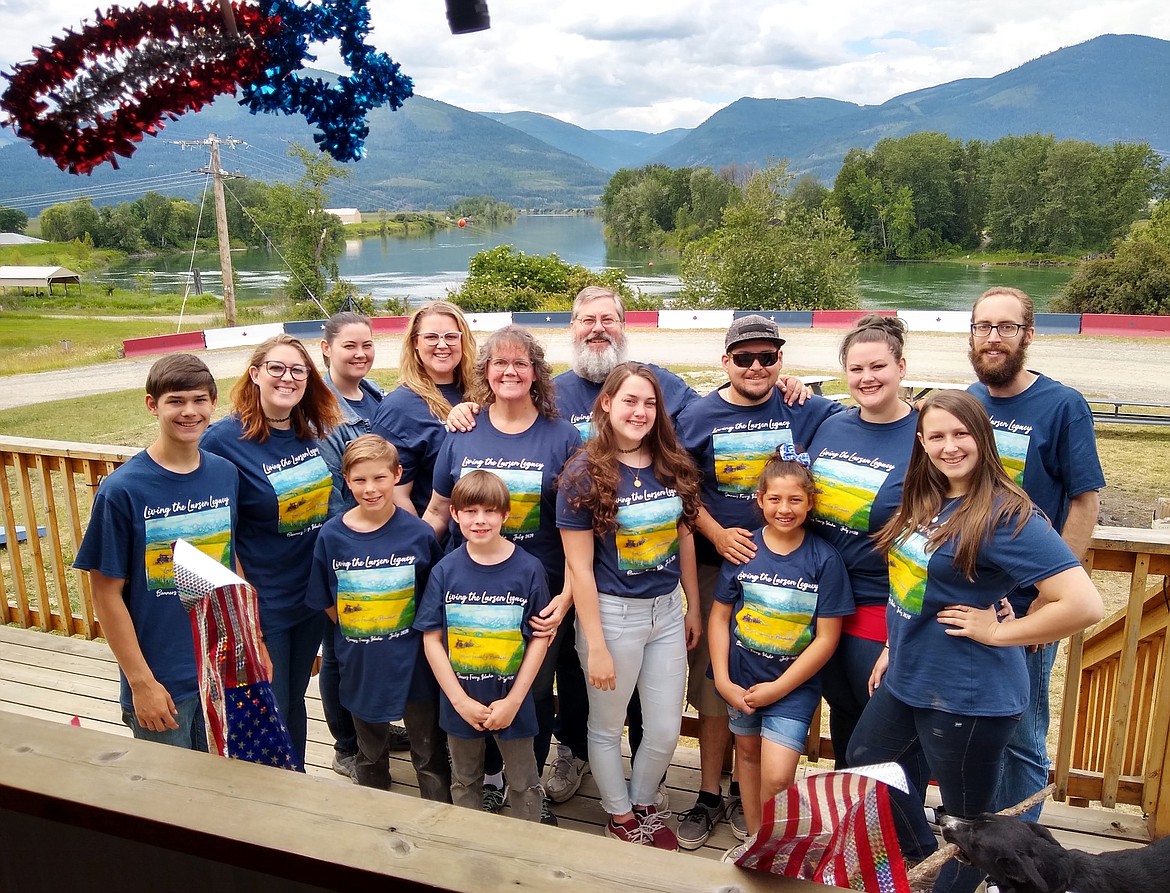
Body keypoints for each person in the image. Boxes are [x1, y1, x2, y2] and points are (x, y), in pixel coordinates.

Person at [847, 391, 1104, 893]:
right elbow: (913, 583)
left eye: (961, 434)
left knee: (970, 826)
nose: (949, 447)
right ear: (921, 442)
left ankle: (953, 879)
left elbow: (1083, 604)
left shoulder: (1006, 515)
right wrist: (891, 644)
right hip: (911, 672)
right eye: (937, 436)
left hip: (968, 694)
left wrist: (997, 630)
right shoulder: (928, 498)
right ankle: (926, 855)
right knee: (866, 759)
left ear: (983, 439)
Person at [672, 314, 843, 848]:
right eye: (744, 357)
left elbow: (862, 416)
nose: (756, 367)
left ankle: (763, 813)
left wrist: (801, 388)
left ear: (780, 362)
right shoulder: (698, 415)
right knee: (714, 687)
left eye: (767, 357)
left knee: (774, 676)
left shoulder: (802, 406)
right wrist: (718, 535)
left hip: (792, 569)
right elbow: (680, 486)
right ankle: (707, 793)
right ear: (725, 361)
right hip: (718, 562)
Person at [422, 324, 581, 824]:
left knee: (530, 692)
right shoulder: (463, 429)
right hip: (468, 595)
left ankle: (524, 786)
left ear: (536, 373)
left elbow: (582, 525)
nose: (510, 371)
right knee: (475, 681)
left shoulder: (562, 436)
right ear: (484, 372)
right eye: (499, 363)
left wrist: (571, 593)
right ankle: (487, 783)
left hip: (539, 595)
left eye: (520, 363)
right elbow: (438, 510)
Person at [965, 286, 1105, 825]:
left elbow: (1084, 500)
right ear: (972, 336)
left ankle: (1018, 853)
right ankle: (977, 838)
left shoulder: (1061, 405)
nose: (993, 337)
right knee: (974, 726)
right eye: (984, 327)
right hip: (968, 602)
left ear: (1028, 335)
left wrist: (1049, 595)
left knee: (1022, 733)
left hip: (1028, 606)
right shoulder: (967, 403)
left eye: (1006, 327)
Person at [557, 362, 704, 850]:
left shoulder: (672, 463)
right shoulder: (583, 472)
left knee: (663, 728)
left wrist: (693, 609)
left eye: (649, 402)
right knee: (605, 726)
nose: (640, 411)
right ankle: (620, 815)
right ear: (606, 404)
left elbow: (685, 538)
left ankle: (644, 802)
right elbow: (578, 569)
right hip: (612, 616)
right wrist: (595, 644)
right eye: (629, 401)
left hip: (665, 614)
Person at [74, 353, 240, 751]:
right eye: (176, 401)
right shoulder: (122, 490)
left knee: (227, 794)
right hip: (162, 682)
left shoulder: (224, 474)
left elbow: (229, 562)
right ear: (153, 405)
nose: (189, 411)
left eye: (199, 400)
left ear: (213, 402)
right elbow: (105, 594)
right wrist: (141, 683)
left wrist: (248, 643)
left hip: (220, 672)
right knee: (166, 805)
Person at [202, 334, 341, 766]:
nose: (288, 378)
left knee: (294, 699)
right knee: (268, 706)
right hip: (264, 603)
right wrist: (244, 607)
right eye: (277, 368)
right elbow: (217, 531)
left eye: (298, 370)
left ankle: (294, 779)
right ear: (256, 373)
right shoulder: (223, 440)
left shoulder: (307, 431)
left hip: (310, 597)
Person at [709, 445, 853, 861]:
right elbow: (720, 617)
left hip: (792, 687)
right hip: (740, 679)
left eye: (794, 499)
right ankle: (758, 846)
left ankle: (781, 845)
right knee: (748, 758)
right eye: (774, 499)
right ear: (760, 500)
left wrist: (779, 688)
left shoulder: (824, 560)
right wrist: (722, 679)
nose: (784, 509)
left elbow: (826, 638)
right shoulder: (745, 551)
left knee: (777, 776)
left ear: (810, 502)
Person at [306, 435, 450, 800]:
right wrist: (363, 629)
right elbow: (326, 598)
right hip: (362, 663)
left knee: (428, 752)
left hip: (415, 664)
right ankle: (375, 812)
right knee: (369, 754)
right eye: (360, 480)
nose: (370, 489)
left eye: (379, 478)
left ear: (397, 475)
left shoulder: (418, 534)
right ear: (346, 480)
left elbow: (432, 597)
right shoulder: (332, 536)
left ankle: (442, 817)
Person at [807, 315, 918, 768]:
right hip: (828, 607)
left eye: (878, 367)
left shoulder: (926, 436)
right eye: (856, 369)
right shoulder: (832, 424)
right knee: (846, 727)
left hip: (882, 611)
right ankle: (850, 831)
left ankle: (892, 835)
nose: (866, 378)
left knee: (885, 743)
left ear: (901, 367)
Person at [416, 471, 552, 822]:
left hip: (513, 702)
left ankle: (528, 848)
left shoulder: (529, 569)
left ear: (506, 515)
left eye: (490, 511)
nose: (480, 520)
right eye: (470, 511)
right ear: (456, 515)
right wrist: (459, 701)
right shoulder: (445, 571)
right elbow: (432, 640)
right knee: (464, 780)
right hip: (460, 702)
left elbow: (540, 638)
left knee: (524, 783)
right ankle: (470, 848)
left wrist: (514, 701)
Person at [315, 311, 410, 779]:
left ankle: (375, 725)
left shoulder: (375, 399)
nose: (360, 354)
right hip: (348, 542)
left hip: (383, 533)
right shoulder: (324, 411)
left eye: (367, 345)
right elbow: (336, 489)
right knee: (341, 647)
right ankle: (347, 743)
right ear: (326, 348)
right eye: (349, 346)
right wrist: (365, 533)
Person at [371, 300, 476, 516]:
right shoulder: (399, 408)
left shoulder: (484, 394)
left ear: (463, 341)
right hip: (438, 536)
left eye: (451, 336)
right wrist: (424, 543)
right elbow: (395, 496)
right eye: (431, 337)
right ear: (415, 343)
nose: (442, 345)